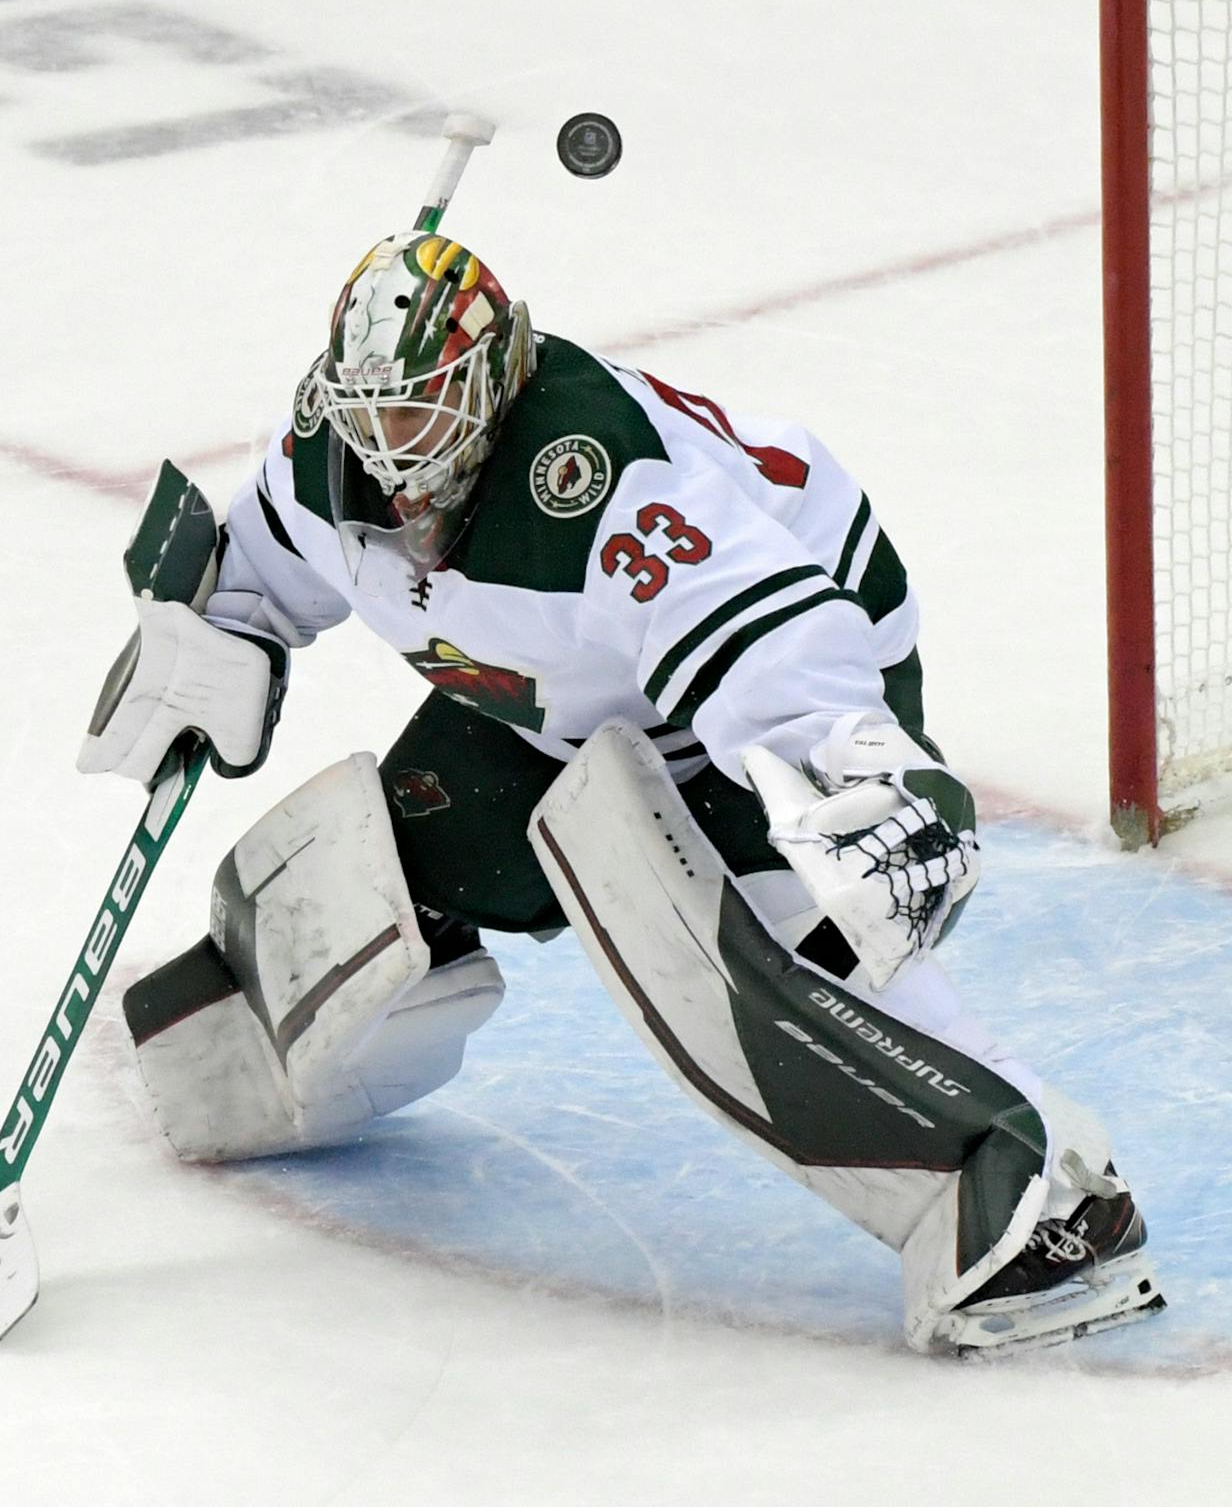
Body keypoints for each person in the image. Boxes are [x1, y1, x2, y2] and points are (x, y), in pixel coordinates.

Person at [80, 229, 1164, 1356]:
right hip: (559, 696)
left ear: (494, 383)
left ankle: (1049, 1199)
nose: (396, 449)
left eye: (423, 411)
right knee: (381, 862)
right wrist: (219, 636)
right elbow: (265, 561)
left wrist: (859, 772)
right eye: (375, 414)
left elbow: (768, 637)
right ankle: (259, 1051)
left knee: (755, 972)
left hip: (785, 665)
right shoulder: (331, 451)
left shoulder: (601, 484)